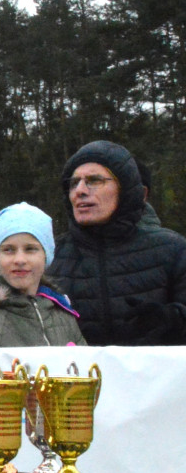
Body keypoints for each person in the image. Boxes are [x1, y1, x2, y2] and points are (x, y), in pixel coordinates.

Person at [48, 140, 186, 345]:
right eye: (73, 183)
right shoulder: (52, 256)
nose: (80, 191)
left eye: (94, 180)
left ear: (126, 189)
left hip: (155, 375)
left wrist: (175, 321)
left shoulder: (173, 250)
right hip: (77, 376)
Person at [0, 202, 85, 347]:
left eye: (30, 249)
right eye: (8, 250)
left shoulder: (64, 318)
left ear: (46, 255)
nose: (19, 260)